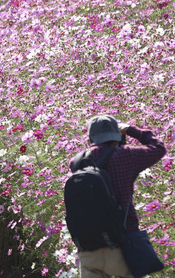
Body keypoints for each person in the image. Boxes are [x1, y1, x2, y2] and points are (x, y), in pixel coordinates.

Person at [67, 115, 166, 278]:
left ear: (90, 137)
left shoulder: (76, 162)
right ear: (117, 135)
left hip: (88, 249)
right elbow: (158, 148)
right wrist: (131, 130)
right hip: (121, 246)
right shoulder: (125, 155)